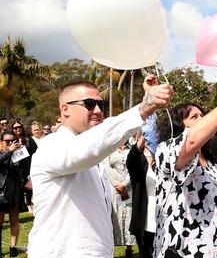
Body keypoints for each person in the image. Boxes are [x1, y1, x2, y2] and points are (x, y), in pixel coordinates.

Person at [28, 76, 173, 257]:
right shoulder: (52, 146)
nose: (97, 110)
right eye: (89, 104)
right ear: (65, 109)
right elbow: (89, 147)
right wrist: (144, 107)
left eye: (101, 105)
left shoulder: (92, 151)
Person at [153, 75, 217, 258]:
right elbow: (191, 140)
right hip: (185, 252)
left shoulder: (214, 163)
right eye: (194, 117)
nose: (203, 120)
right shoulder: (165, 151)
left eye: (203, 116)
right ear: (178, 125)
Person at [103, 140, 137, 257]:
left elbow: (135, 166)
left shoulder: (133, 146)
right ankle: (113, 248)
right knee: (115, 216)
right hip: (114, 188)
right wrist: (118, 183)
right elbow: (106, 167)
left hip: (129, 188)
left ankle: (129, 249)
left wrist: (125, 184)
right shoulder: (110, 147)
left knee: (129, 217)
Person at [126, 131, 156, 258]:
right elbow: (130, 160)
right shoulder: (137, 159)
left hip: (161, 215)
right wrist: (140, 143)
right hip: (144, 216)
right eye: (146, 134)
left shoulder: (162, 157)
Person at [0, 131, 28, 257]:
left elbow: (25, 168)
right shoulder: (2, 153)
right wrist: (9, 151)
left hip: (15, 189)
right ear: (1, 142)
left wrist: (22, 152)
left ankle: (13, 248)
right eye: (7, 141)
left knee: (14, 221)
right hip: (1, 190)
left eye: (13, 141)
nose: (10, 143)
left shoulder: (18, 153)